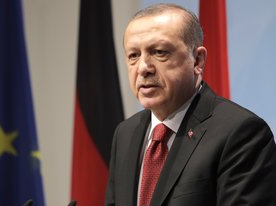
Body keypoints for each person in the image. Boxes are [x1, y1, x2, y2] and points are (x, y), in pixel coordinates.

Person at [105, 3, 276, 206]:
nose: (143, 68)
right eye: (133, 55)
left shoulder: (241, 133)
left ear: (197, 60)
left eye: (159, 52)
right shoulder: (125, 133)